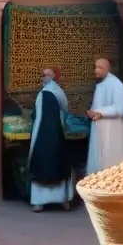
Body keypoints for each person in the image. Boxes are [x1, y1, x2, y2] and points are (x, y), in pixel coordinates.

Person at [29, 67, 72, 212]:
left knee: (53, 165)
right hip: (46, 135)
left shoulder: (52, 92)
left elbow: (63, 110)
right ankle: (44, 202)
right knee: (47, 165)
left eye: (48, 75)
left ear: (54, 76)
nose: (45, 77)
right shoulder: (47, 92)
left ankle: (59, 201)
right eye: (43, 75)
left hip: (53, 135)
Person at [86, 57, 123, 175]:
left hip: (111, 132)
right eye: (95, 67)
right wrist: (92, 112)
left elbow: (121, 109)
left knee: (112, 169)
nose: (96, 70)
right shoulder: (102, 84)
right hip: (101, 131)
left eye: (100, 68)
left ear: (108, 68)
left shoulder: (116, 85)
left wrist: (101, 113)